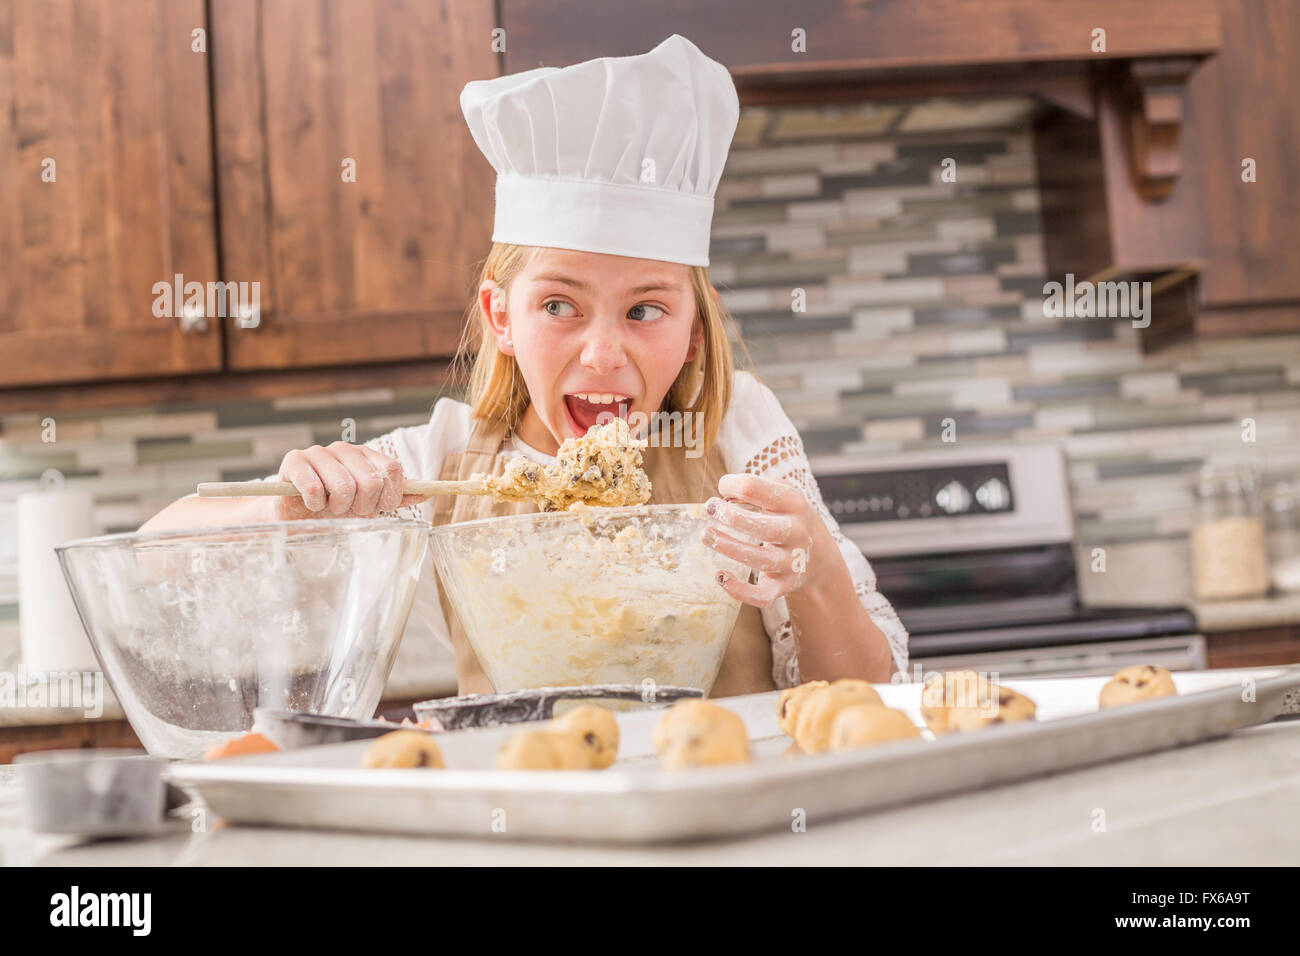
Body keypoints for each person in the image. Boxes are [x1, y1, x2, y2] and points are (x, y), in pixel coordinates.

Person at [143, 34, 908, 696]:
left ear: (694, 339)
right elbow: (152, 563)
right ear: (500, 318)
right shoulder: (433, 463)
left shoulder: (741, 435)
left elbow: (876, 697)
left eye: (646, 310)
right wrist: (284, 505)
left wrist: (814, 577)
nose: (603, 352)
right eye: (559, 306)